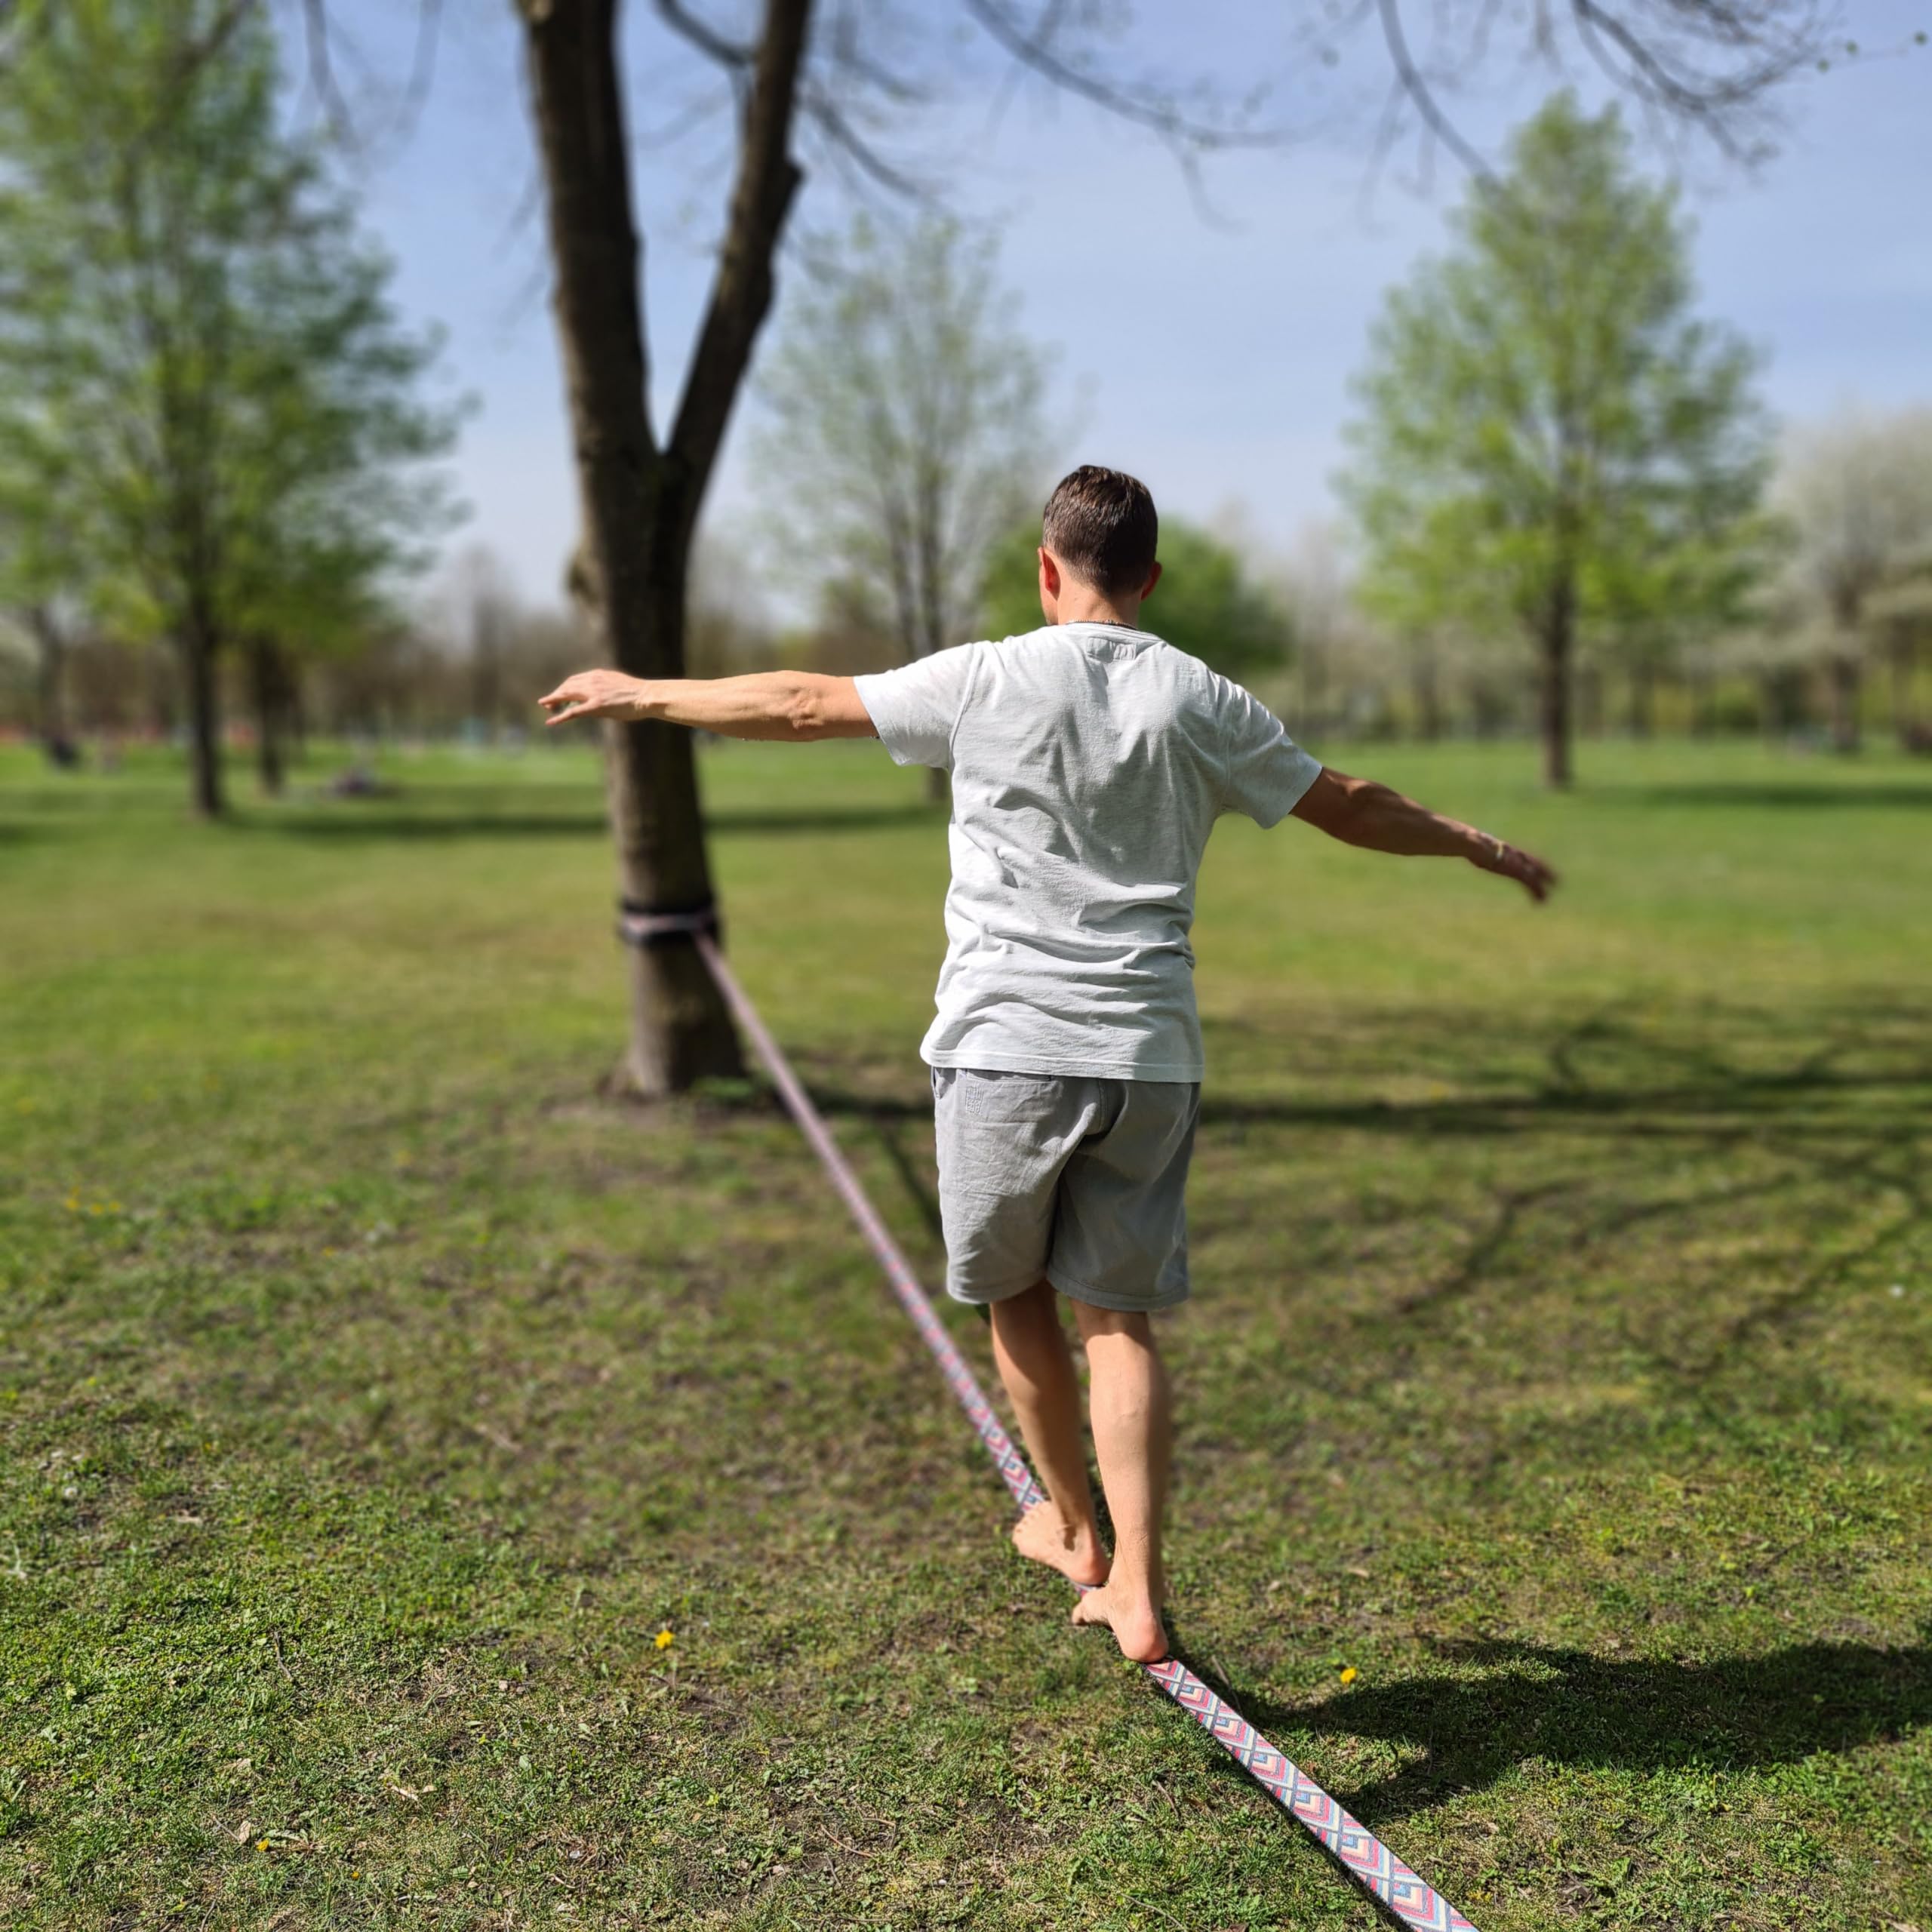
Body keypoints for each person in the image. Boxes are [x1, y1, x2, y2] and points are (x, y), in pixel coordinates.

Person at [540, 465, 1557, 1664]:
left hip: (1005, 1048)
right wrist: (1477, 843)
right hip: (1149, 1054)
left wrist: (641, 692)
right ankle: (1139, 1589)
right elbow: (1347, 802)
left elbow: (806, 702)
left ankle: (1075, 1530)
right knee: (1119, 1321)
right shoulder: (1202, 697)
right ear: (1150, 579)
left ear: (1046, 568)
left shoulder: (984, 674)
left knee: (1013, 1293)